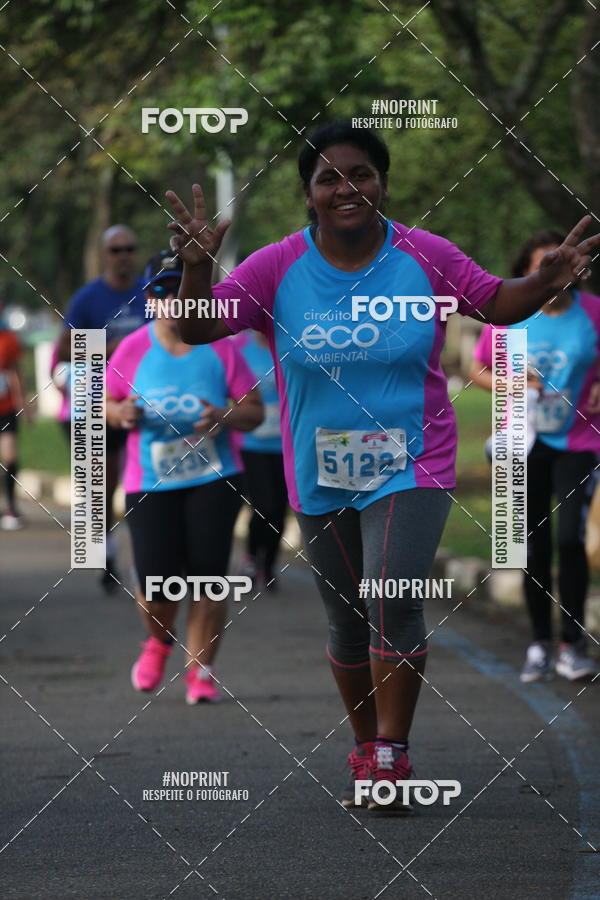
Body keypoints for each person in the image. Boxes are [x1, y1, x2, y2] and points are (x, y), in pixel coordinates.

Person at [165, 121, 600, 810]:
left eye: (361, 173)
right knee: (344, 620)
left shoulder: (423, 255)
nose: (347, 188)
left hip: (413, 460)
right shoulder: (278, 266)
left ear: (381, 183)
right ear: (308, 195)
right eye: (329, 177)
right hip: (319, 467)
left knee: (391, 596)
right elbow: (196, 325)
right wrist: (194, 265)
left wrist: (539, 282)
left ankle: (394, 751)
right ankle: (366, 745)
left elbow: (493, 302)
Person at [105, 251, 263, 704]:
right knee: (157, 586)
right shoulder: (132, 349)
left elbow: (254, 412)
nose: (172, 300)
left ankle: (201, 671)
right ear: (149, 300)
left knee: (209, 578)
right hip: (150, 481)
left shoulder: (221, 347)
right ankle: (158, 640)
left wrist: (224, 415)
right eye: (162, 292)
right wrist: (120, 411)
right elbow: (99, 403)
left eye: (180, 291)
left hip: (215, 477)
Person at [470, 229, 600, 683]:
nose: (557, 272)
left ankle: (573, 644)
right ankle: (540, 643)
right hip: (520, 441)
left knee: (569, 538)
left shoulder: (594, 314)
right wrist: (514, 384)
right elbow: (479, 368)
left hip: (579, 441)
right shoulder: (510, 316)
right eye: (545, 265)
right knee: (529, 544)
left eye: (564, 264)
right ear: (527, 272)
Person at [58, 225, 148, 591]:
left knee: (142, 482)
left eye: (129, 248)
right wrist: (113, 348)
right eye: (115, 250)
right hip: (99, 401)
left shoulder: (149, 293)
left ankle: (148, 556)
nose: (123, 255)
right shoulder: (88, 298)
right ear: (104, 255)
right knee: (104, 484)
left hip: (144, 401)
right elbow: (65, 350)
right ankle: (106, 555)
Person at [234, 330, 288, 590]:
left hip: (286, 443)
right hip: (250, 442)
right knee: (263, 505)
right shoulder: (239, 346)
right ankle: (252, 557)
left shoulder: (290, 342)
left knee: (280, 507)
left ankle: (269, 565)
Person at [0, 305, 28, 530]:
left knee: (10, 456)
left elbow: (15, 372)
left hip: (6, 408)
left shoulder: (9, 339)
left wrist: (23, 403)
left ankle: (10, 505)